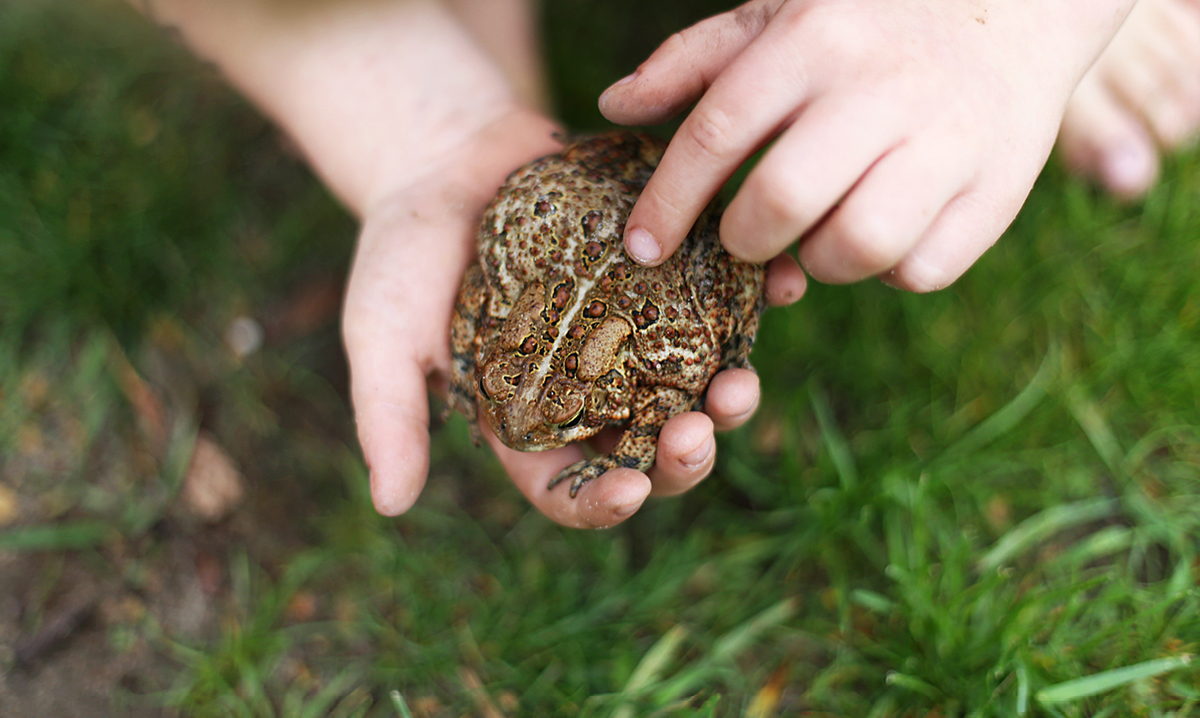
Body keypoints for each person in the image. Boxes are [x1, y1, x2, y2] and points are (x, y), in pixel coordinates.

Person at [136, 0, 1199, 528]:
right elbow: (623, 397)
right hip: (595, 238)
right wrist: (412, 123)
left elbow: (650, 395)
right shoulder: (556, 358)